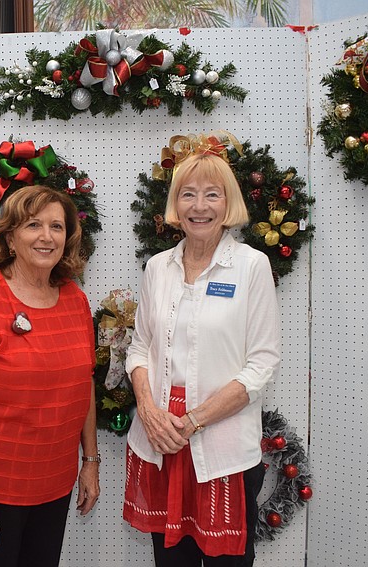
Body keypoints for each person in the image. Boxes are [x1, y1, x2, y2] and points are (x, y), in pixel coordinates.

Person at [123, 139, 280, 567]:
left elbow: (263, 362)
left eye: (212, 194)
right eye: (188, 194)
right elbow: (139, 348)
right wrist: (150, 412)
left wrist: (192, 421)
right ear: (176, 203)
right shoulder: (157, 267)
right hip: (159, 439)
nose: (200, 206)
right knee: (170, 559)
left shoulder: (251, 266)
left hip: (219, 443)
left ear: (228, 203)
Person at [0, 184, 100, 567]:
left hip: (53, 483)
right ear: (10, 237)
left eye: (57, 227)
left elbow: (83, 383)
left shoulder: (75, 299)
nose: (46, 236)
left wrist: (90, 461)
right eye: (33, 225)